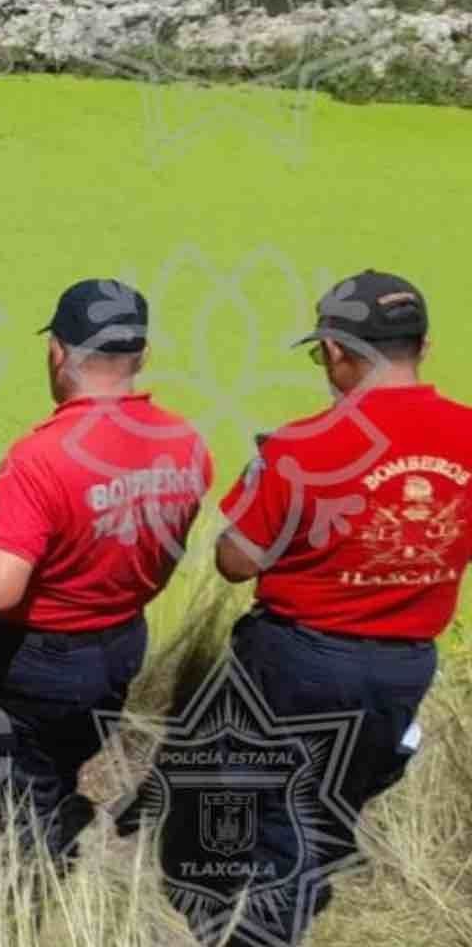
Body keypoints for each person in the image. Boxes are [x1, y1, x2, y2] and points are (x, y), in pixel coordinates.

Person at [199, 270, 472, 944]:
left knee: (274, 820)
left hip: (299, 665)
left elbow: (237, 562)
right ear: (425, 346)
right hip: (407, 665)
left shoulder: (299, 448)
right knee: (330, 803)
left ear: (336, 350)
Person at [0, 279, 213, 862]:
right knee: (57, 765)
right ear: (142, 355)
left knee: (9, 790)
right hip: (120, 645)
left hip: (33, 660)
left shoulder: (43, 457)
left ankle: (19, 888)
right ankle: (41, 822)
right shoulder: (186, 445)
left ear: (57, 351)